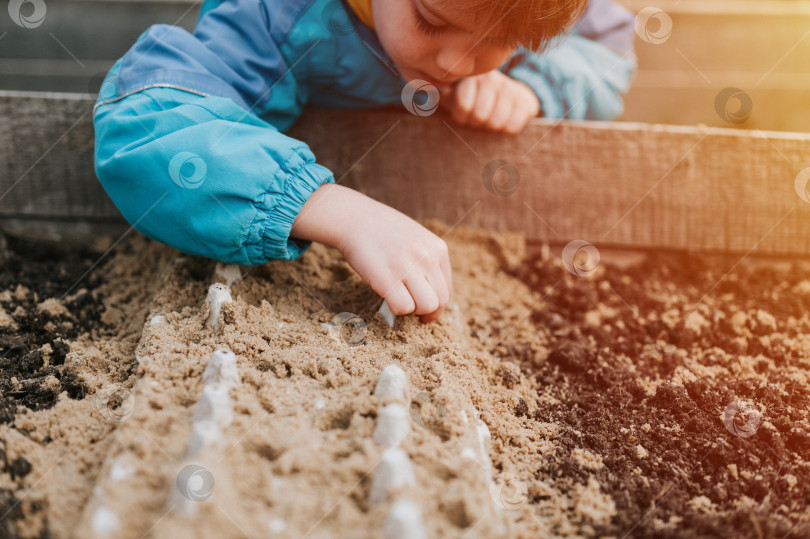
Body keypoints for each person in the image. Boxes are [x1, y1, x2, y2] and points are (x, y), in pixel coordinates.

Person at [93, 0, 636, 323]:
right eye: (429, 19)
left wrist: (537, 84)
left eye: (501, 40)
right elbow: (146, 120)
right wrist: (330, 207)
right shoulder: (278, 18)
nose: (454, 62)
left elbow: (607, 46)